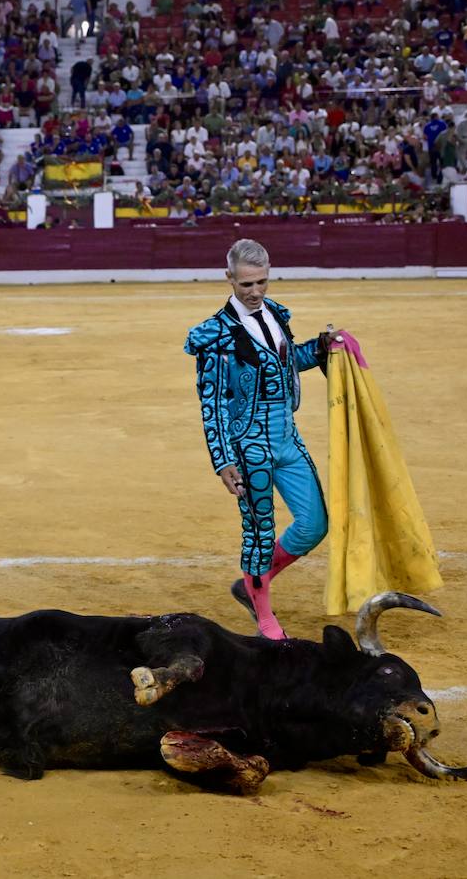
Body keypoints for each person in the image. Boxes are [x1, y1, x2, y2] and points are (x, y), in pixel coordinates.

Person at [183, 239, 342, 639]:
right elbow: (213, 405)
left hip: (287, 437)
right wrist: (223, 461)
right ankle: (265, 615)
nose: (255, 293)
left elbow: (286, 366)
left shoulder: (275, 315)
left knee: (314, 524)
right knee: (259, 531)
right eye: (246, 285)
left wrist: (320, 349)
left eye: (262, 283)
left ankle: (253, 582)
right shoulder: (214, 336)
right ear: (229, 279)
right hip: (248, 445)